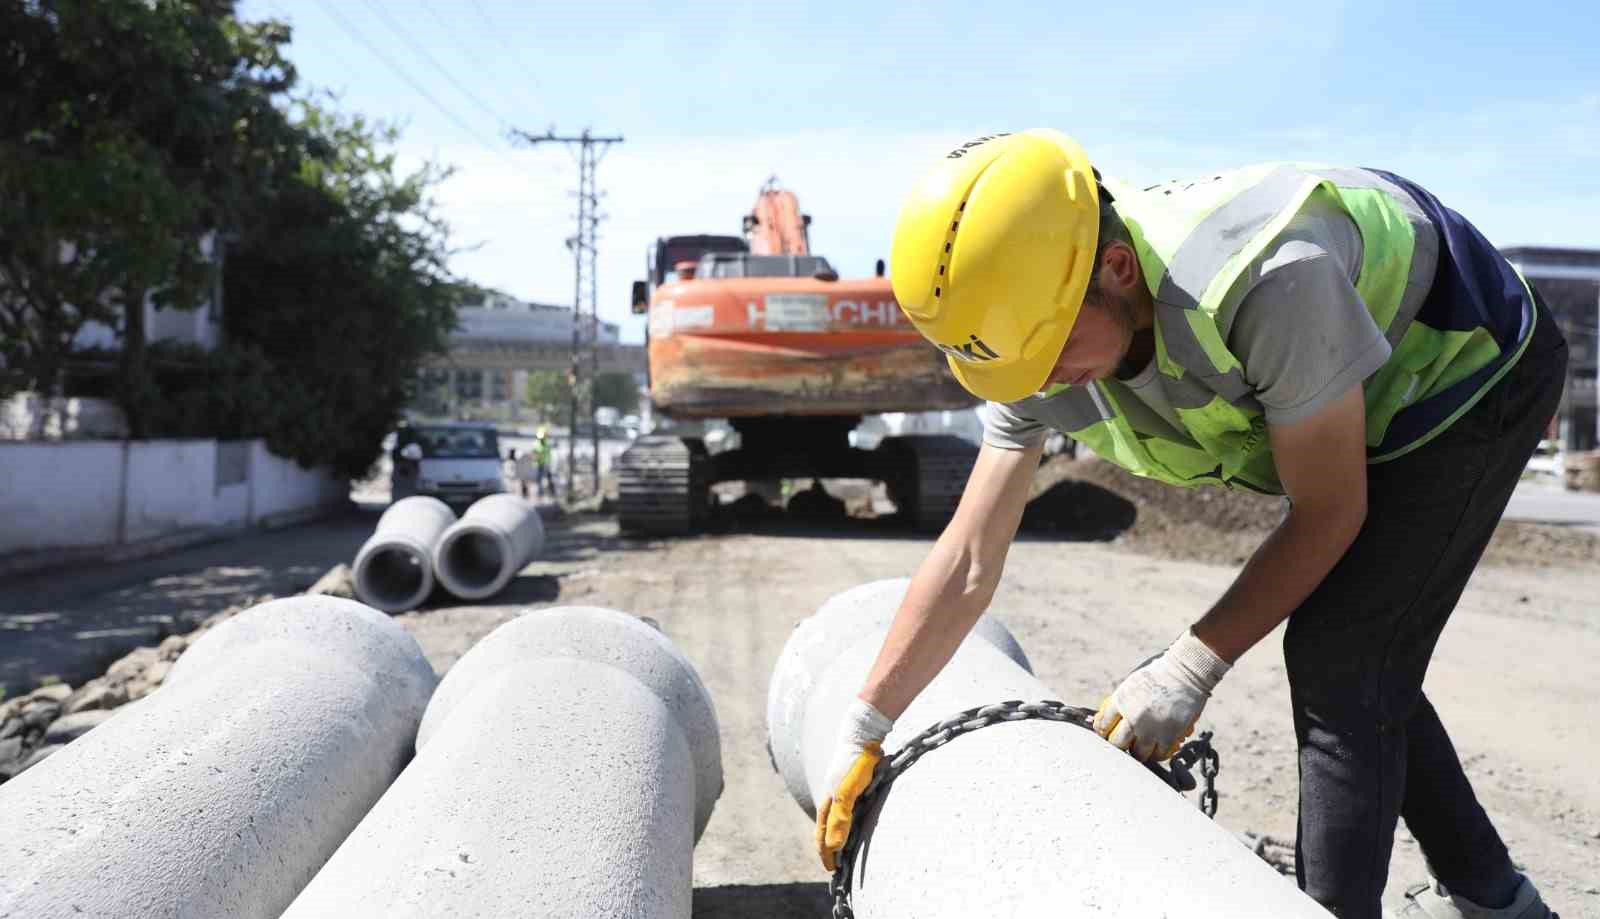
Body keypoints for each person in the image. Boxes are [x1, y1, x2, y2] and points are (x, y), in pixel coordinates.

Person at [813, 131, 1566, 919]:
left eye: (1051, 353)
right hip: (1346, 390)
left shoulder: (1268, 279)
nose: (1039, 385)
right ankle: (1496, 901)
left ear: (1117, 269)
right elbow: (969, 556)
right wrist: (864, 724)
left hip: (1465, 373)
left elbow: (1330, 511)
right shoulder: (1033, 327)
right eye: (1016, 368)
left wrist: (1188, 666)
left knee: (1343, 652)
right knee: (1370, 652)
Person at [532, 426, 556, 499]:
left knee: (549, 479)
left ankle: (552, 493)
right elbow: (534, 455)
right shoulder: (536, 444)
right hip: (539, 464)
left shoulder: (547, 443)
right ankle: (540, 495)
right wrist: (536, 459)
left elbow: (549, 454)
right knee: (539, 480)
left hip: (547, 464)